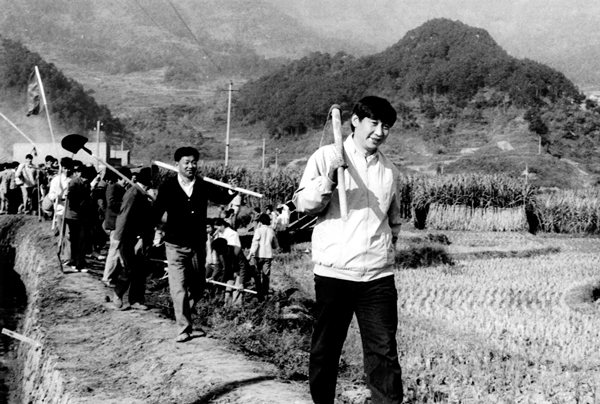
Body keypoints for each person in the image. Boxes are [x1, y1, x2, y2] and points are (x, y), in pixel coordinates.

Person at [293, 96, 403, 404]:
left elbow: (393, 222)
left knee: (384, 352)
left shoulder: (389, 170)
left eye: (386, 126)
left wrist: (383, 252)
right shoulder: (327, 156)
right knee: (326, 349)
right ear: (355, 121)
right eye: (374, 123)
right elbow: (304, 203)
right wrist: (330, 177)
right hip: (335, 273)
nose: (380, 132)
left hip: (377, 277)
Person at [153, 146, 232, 342]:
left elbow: (222, 198)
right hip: (174, 245)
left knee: (198, 286)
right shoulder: (168, 186)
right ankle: (183, 327)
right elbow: (156, 212)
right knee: (178, 286)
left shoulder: (203, 185)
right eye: (186, 162)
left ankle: (184, 314)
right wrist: (155, 231)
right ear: (177, 164)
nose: (190, 166)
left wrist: (231, 191)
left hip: (197, 244)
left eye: (194, 162)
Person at [112, 167, 154, 310]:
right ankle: (118, 293)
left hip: (143, 237)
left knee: (140, 270)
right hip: (130, 237)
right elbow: (123, 216)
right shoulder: (133, 193)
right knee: (129, 268)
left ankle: (136, 300)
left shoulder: (144, 194)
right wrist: (118, 239)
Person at [101, 167, 131, 287]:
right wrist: (126, 205)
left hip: (118, 222)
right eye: (125, 179)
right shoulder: (113, 187)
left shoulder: (122, 188)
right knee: (114, 250)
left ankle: (112, 277)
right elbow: (111, 203)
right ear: (119, 178)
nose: (126, 182)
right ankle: (107, 277)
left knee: (117, 251)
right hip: (114, 223)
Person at [248, 213, 279, 298]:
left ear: (260, 222)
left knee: (257, 274)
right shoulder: (271, 230)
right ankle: (265, 293)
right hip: (268, 255)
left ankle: (259, 293)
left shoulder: (258, 230)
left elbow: (255, 243)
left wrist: (250, 254)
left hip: (258, 255)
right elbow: (275, 244)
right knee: (266, 275)